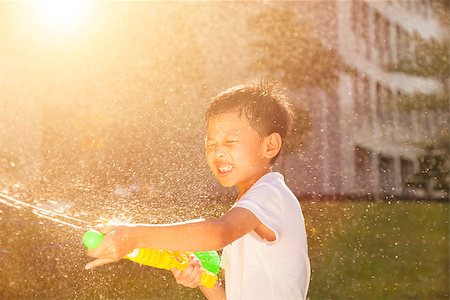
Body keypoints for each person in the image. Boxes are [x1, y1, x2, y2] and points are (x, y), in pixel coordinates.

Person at [85, 80, 310, 300]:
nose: (218, 153)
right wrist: (204, 278)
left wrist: (134, 236)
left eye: (230, 142)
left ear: (270, 145)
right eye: (211, 144)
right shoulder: (248, 212)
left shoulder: (271, 194)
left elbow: (219, 233)